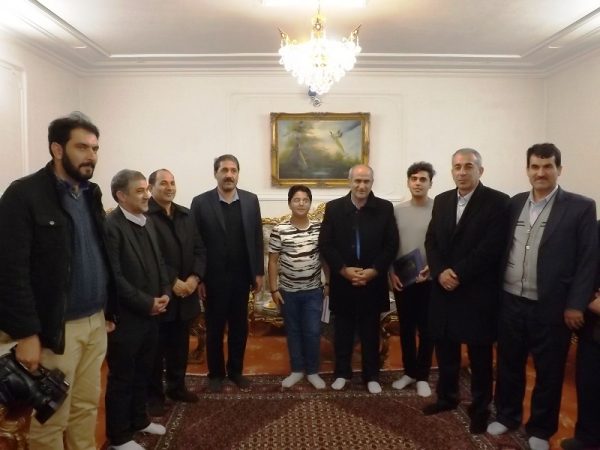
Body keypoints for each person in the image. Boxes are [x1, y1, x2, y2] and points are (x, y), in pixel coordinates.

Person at [0, 112, 117, 450]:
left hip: (94, 323)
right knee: (51, 418)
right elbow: (10, 270)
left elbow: (101, 254)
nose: (91, 155)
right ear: (57, 149)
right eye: (82, 147)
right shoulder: (24, 195)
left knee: (86, 407)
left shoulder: (91, 194)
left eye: (95, 148)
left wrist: (108, 310)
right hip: (55, 330)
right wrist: (27, 334)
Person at [487, 143, 598, 450]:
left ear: (559, 169)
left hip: (552, 305)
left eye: (548, 166)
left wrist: (576, 304)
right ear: (527, 170)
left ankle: (540, 428)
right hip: (511, 300)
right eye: (535, 166)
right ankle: (507, 415)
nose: (541, 172)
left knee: (549, 370)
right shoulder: (514, 203)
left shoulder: (580, 207)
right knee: (509, 363)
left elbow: (587, 260)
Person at [423, 148, 509, 435]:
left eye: (468, 166)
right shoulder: (442, 200)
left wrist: (457, 273)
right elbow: (431, 241)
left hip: (476, 292)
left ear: (480, 171)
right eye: (457, 167)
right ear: (452, 171)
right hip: (444, 289)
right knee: (445, 349)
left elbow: (490, 248)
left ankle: (480, 408)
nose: (461, 172)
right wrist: (440, 271)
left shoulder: (498, 202)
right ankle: (447, 398)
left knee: (479, 356)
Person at [104, 169, 171, 450]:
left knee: (144, 371)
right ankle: (119, 437)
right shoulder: (111, 226)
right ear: (121, 196)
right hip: (127, 318)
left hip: (152, 315)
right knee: (122, 377)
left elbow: (160, 263)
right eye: (140, 191)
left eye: (147, 189)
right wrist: (147, 303)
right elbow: (115, 277)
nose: (147, 195)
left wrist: (165, 293)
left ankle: (139, 420)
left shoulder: (147, 221)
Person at [319, 164, 399, 394]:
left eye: (366, 181)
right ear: (349, 181)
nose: (362, 186)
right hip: (343, 281)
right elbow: (326, 244)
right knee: (342, 331)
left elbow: (391, 244)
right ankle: (342, 373)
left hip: (372, 282)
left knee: (370, 331)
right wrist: (344, 270)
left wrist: (374, 270)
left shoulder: (384, 208)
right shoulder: (334, 208)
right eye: (357, 181)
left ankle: (371, 375)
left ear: (372, 183)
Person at [190, 154, 264, 392]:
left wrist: (258, 272)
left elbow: (257, 238)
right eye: (224, 170)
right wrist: (198, 277)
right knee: (214, 328)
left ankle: (236, 371)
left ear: (238, 174)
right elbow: (195, 243)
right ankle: (215, 374)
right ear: (216, 173)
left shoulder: (251, 200)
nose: (229, 175)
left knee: (239, 328)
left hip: (242, 277)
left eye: (233, 170)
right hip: (213, 279)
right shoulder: (200, 202)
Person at [146, 169, 207, 415]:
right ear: (151, 187)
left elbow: (200, 249)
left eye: (172, 183)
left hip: (187, 294)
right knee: (156, 350)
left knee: (180, 346)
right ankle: (154, 396)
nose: (169, 187)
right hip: (162, 294)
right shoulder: (145, 216)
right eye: (163, 183)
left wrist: (195, 277)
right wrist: (172, 281)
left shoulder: (185, 214)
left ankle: (177, 387)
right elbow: (150, 256)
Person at [268, 185, 328, 390]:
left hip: (313, 291)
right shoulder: (279, 230)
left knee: (312, 331)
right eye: (296, 200)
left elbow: (324, 258)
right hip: (288, 293)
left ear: (310, 203)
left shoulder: (319, 228)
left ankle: (312, 371)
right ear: (289, 203)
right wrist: (274, 289)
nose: (301, 203)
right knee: (293, 331)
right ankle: (296, 370)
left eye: (305, 200)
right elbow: (273, 261)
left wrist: (328, 282)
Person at [389, 162, 436, 398]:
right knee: (406, 328)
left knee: (427, 330)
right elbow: (389, 245)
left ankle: (423, 376)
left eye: (423, 179)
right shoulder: (396, 211)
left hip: (429, 279)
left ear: (430, 183)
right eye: (414, 179)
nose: (418, 183)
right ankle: (409, 372)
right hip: (403, 279)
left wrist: (434, 267)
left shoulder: (440, 209)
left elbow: (444, 244)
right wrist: (390, 272)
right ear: (408, 182)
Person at [561, 223, 600, 450]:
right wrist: (590, 299)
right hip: (594, 323)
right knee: (589, 382)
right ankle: (587, 437)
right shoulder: (595, 230)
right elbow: (579, 268)